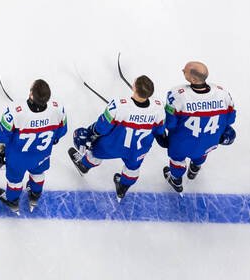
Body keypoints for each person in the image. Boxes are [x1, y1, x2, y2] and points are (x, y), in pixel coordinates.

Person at [69, 73, 166, 199]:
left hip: (113, 145)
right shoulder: (159, 107)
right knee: (133, 168)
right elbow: (160, 130)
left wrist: (90, 133)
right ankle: (122, 187)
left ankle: (84, 166)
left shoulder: (119, 105)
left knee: (96, 152)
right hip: (138, 149)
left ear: (134, 87)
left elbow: (102, 127)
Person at [0, 79, 69, 214]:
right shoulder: (58, 110)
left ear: (31, 94)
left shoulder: (15, 111)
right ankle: (35, 194)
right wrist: (53, 138)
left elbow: (1, 136)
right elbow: (62, 131)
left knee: (15, 180)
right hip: (42, 154)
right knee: (38, 173)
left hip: (17, 158)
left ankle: (12, 200)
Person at [161, 61, 237, 191]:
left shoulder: (177, 94)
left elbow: (170, 124)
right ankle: (194, 169)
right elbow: (230, 119)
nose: (182, 71)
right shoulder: (223, 93)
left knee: (177, 160)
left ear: (193, 79)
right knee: (201, 152)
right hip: (209, 141)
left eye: (185, 70)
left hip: (182, 143)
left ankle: (176, 180)